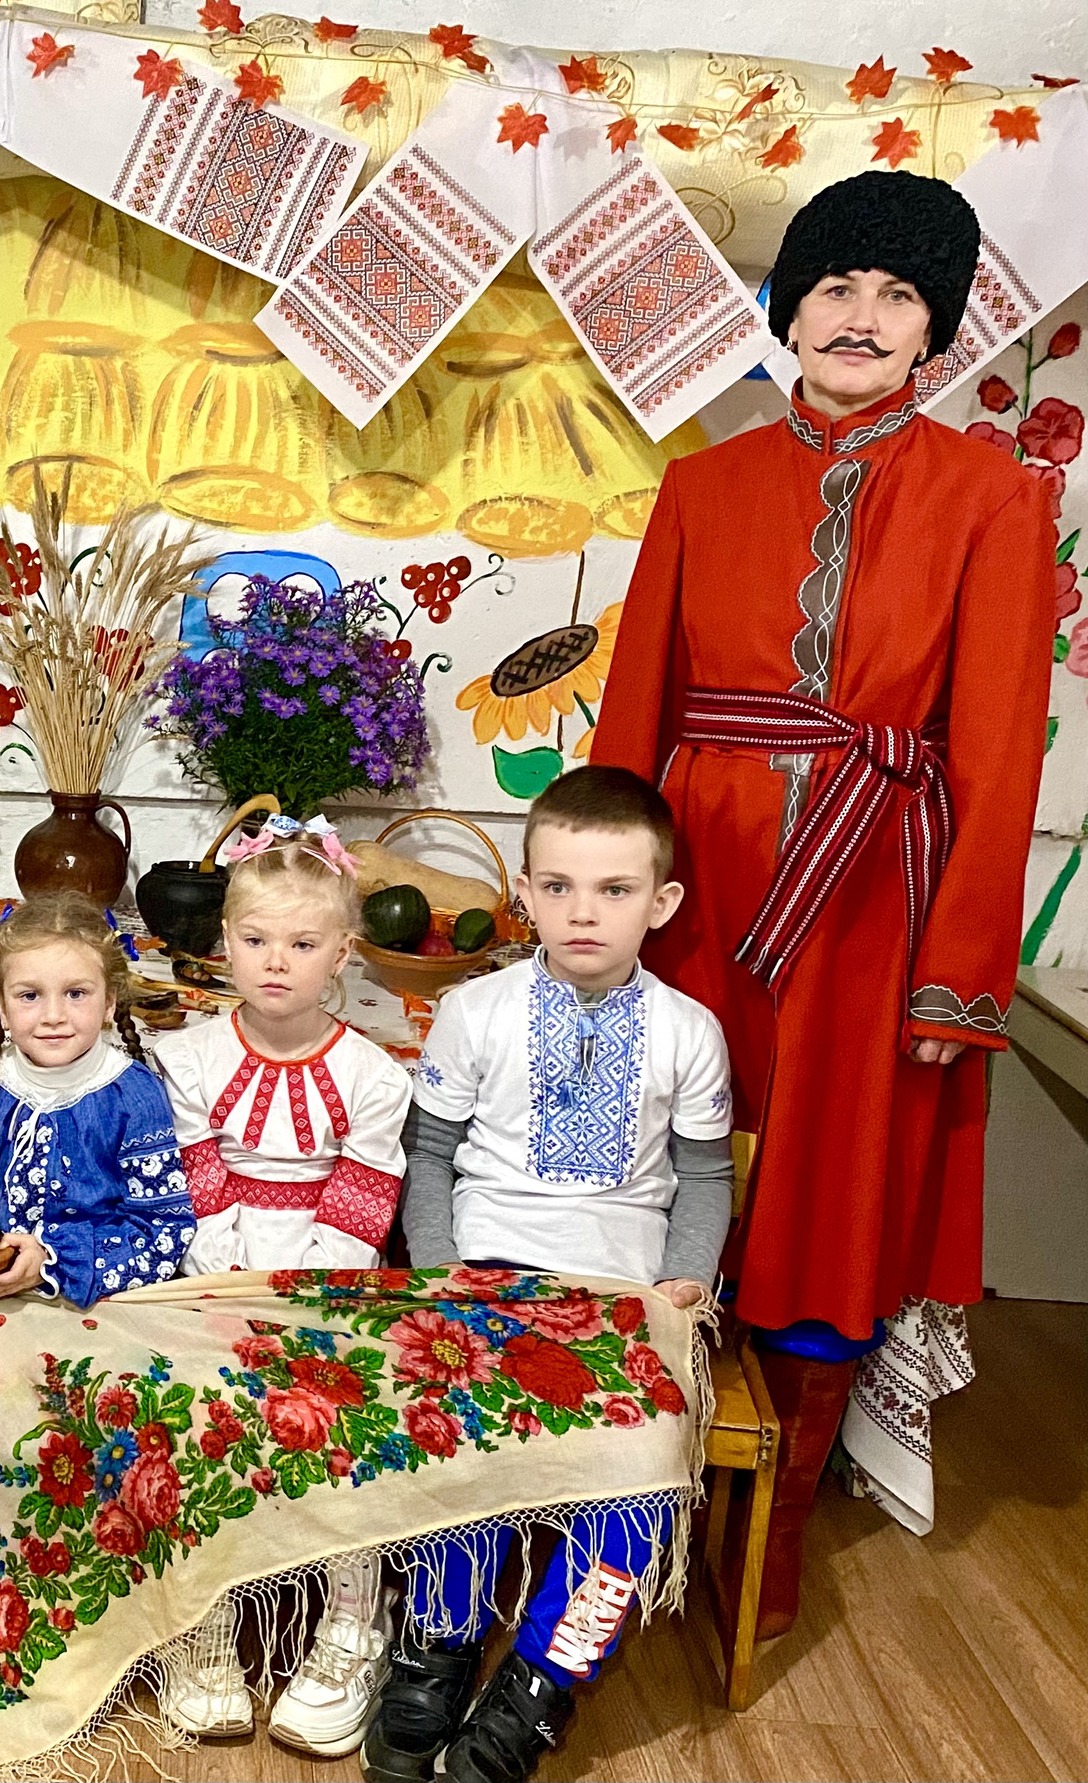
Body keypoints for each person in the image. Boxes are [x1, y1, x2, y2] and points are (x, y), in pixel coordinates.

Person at [588, 169, 1056, 1619]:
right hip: (701, 888)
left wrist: (957, 976)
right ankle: (624, 1493)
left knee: (829, 1197)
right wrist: (599, 906)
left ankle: (765, 1538)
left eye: (897, 295)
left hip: (877, 907)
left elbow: (997, 749)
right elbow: (630, 715)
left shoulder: (999, 496)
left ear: (934, 333)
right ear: (788, 313)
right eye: (835, 288)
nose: (861, 316)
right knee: (664, 1161)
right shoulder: (700, 486)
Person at [361, 767, 731, 1783]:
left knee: (642, 1469)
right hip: (485, 1271)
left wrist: (684, 1280)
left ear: (661, 902)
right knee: (456, 1429)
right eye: (559, 886)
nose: (583, 912)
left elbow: (704, 1176)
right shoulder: (474, 1010)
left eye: (614, 889)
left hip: (624, 1292)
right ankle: (437, 1643)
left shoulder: (688, 1030)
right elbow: (429, 1154)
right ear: (523, 892)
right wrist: (439, 1271)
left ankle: (542, 1678)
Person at [153, 815, 411, 1757]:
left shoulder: (372, 1075)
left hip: (326, 1279)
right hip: (212, 1268)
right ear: (224, 942)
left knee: (348, 1411)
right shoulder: (188, 1057)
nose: (275, 962)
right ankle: (202, 1615)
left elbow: (363, 1199)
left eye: (303, 945)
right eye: (256, 940)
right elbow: (195, 1177)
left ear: (342, 953)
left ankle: (353, 1616)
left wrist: (300, 1293)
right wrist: (233, 1278)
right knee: (186, 1407)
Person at [0, 894, 194, 1308]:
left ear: (109, 1002)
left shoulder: (132, 1096)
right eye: (29, 996)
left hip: (89, 1295)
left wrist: (52, 1262)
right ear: (2, 1007)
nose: (53, 1015)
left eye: (75, 993)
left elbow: (163, 1230)